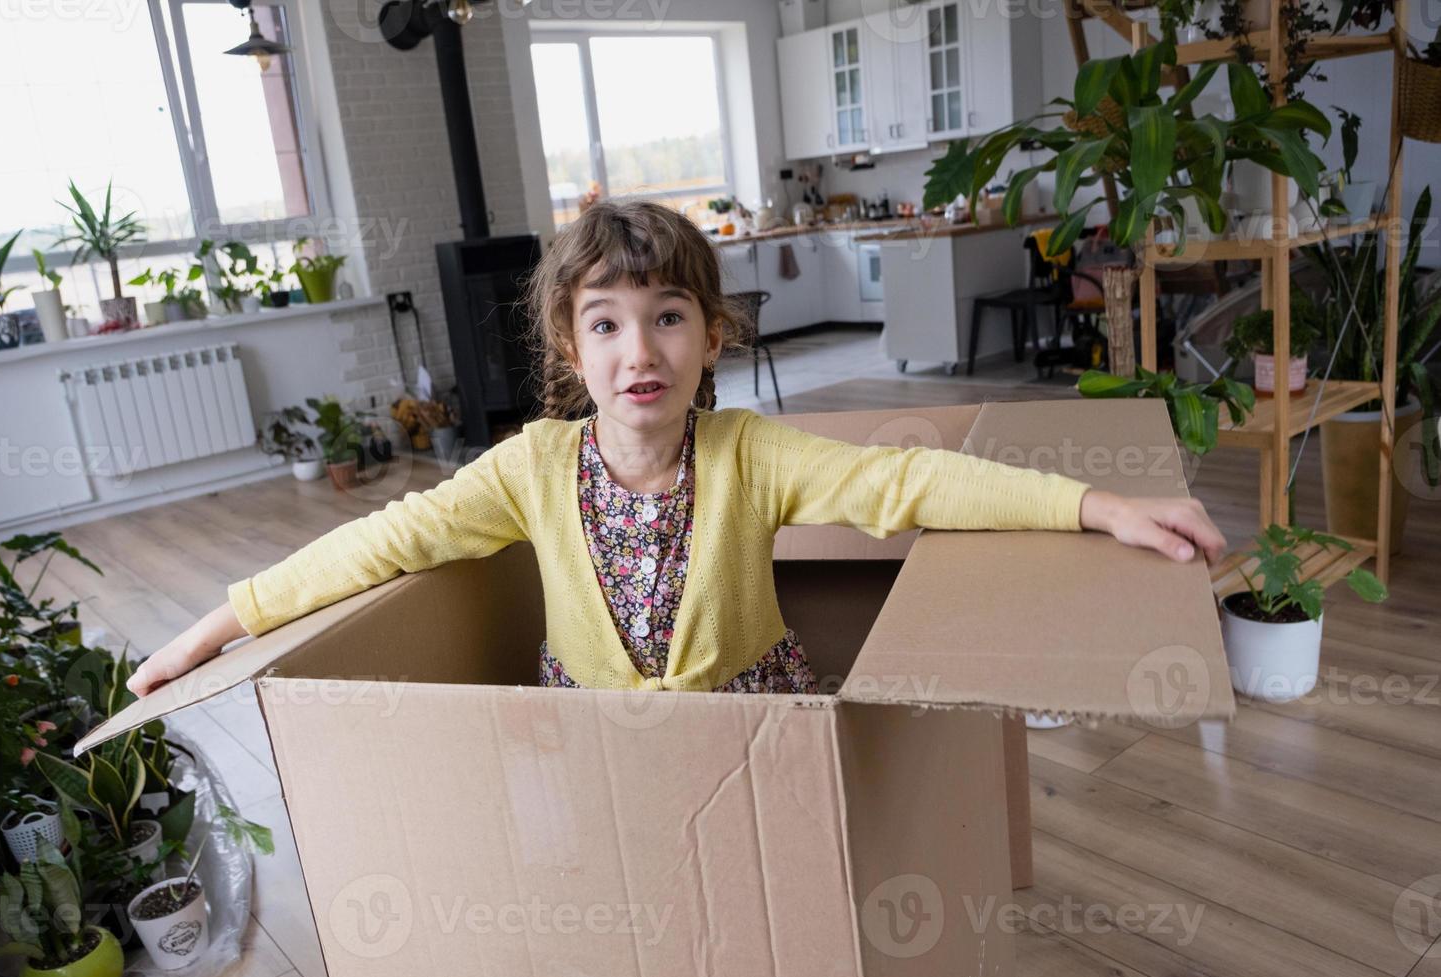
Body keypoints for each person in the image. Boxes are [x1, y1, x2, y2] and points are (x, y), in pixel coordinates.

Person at [127, 201, 1225, 700]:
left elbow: (913, 478)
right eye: (605, 322)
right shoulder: (528, 468)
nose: (637, 349)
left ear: (711, 333)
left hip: (757, 719)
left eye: (666, 316)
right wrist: (214, 626)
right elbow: (380, 542)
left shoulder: (752, 452)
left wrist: (1098, 506)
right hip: (595, 728)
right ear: (570, 346)